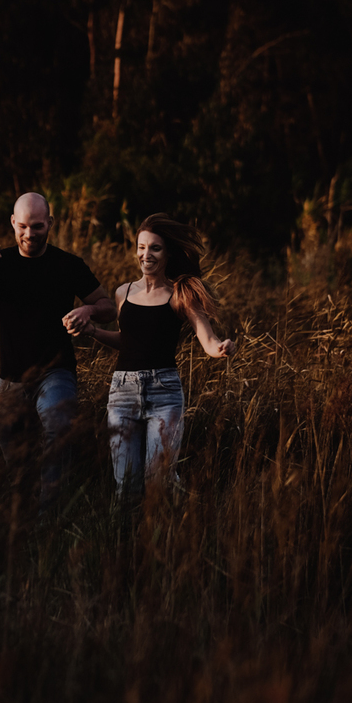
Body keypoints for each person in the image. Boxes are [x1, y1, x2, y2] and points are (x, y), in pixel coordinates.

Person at [0, 192, 116, 513]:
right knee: (15, 456)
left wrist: (87, 310)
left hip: (55, 371)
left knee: (59, 429)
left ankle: (50, 515)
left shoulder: (68, 265)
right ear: (14, 224)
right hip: (11, 378)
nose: (30, 234)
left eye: (38, 226)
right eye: (24, 227)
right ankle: (24, 513)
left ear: (51, 224)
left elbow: (108, 308)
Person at [67, 213, 235, 501]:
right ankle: (128, 540)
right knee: (127, 486)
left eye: (154, 248)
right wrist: (93, 331)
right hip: (122, 393)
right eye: (141, 247)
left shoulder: (181, 294)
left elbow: (207, 340)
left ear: (168, 252)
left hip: (165, 393)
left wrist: (220, 348)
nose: (146, 255)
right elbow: (127, 341)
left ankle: (168, 531)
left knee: (157, 482)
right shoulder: (124, 293)